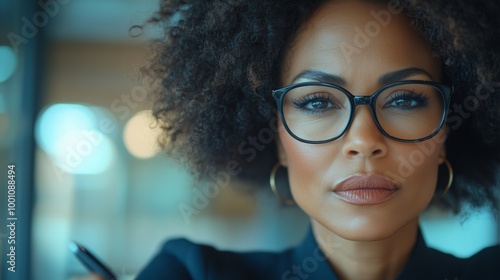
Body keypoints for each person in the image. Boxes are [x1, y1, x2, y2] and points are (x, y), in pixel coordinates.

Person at [132, 0, 500, 279]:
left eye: (405, 99)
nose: (363, 140)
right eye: (318, 101)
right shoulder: (192, 272)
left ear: (445, 130)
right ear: (278, 139)